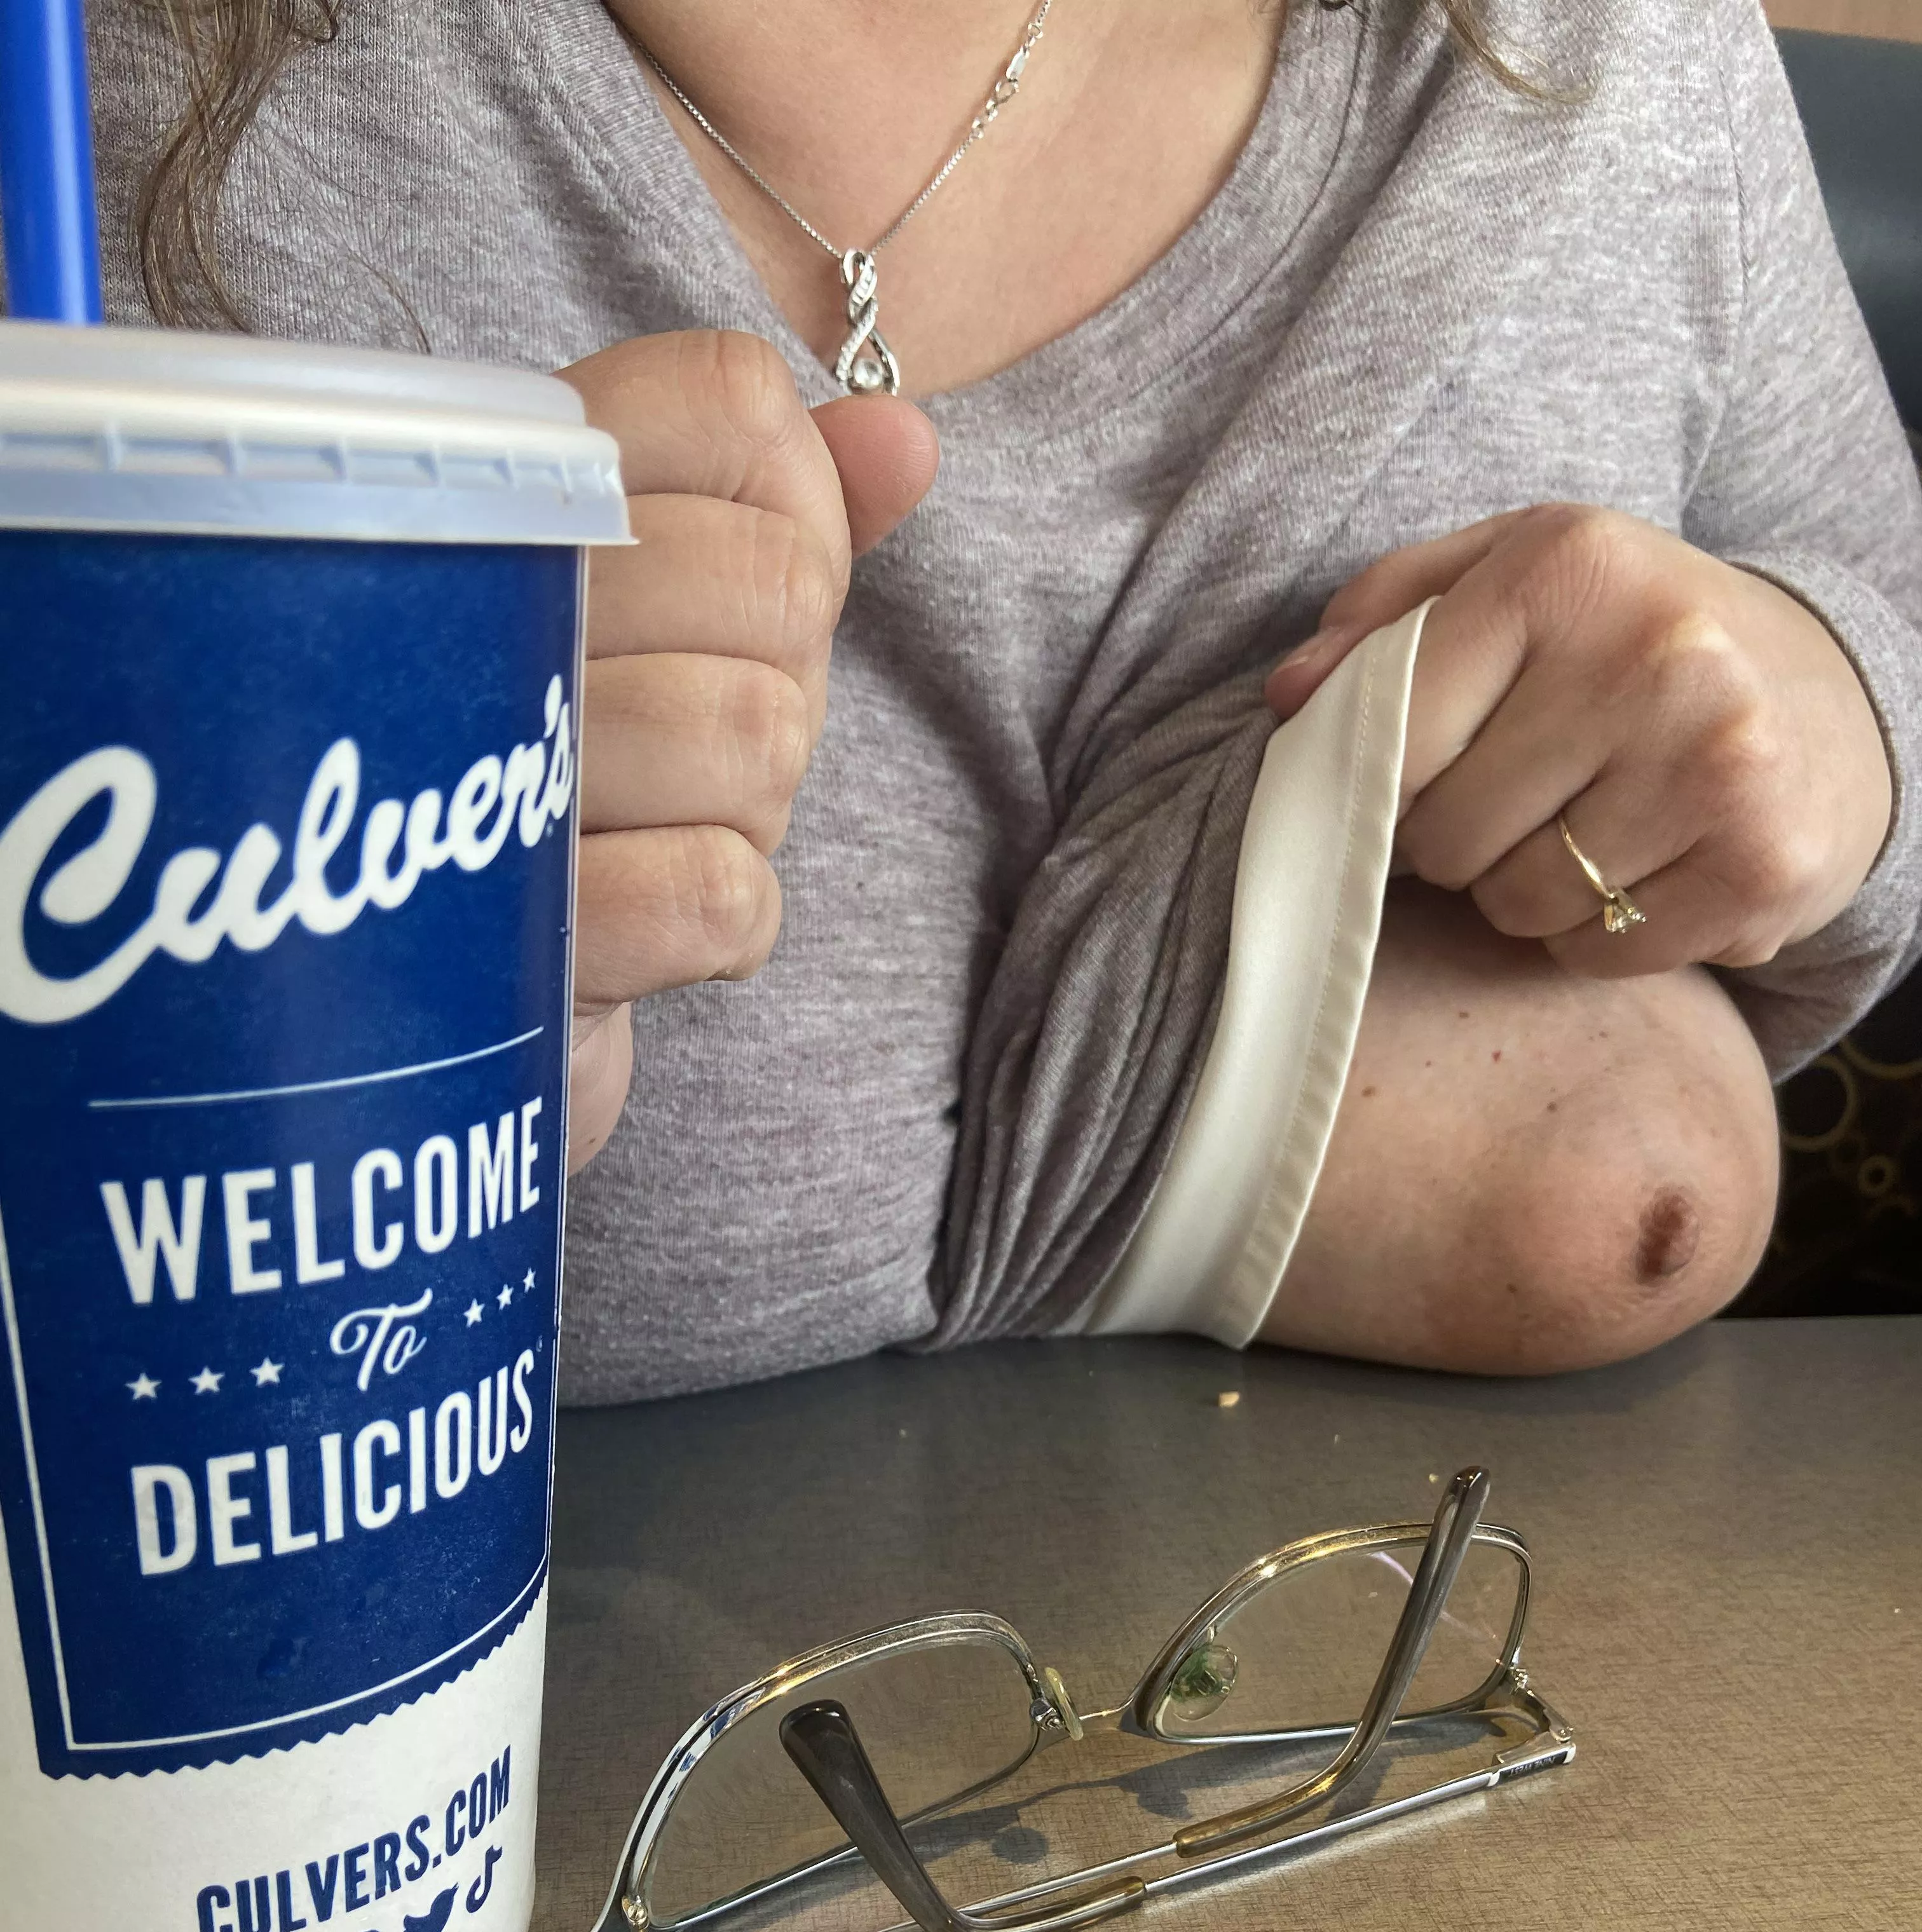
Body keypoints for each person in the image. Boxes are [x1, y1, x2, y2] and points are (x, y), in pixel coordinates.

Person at [93, 0, 1922, 1392]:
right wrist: (215, 979)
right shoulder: (97, 104)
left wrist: (1841, 723)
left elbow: (1893, 632)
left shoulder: (1600, 54)